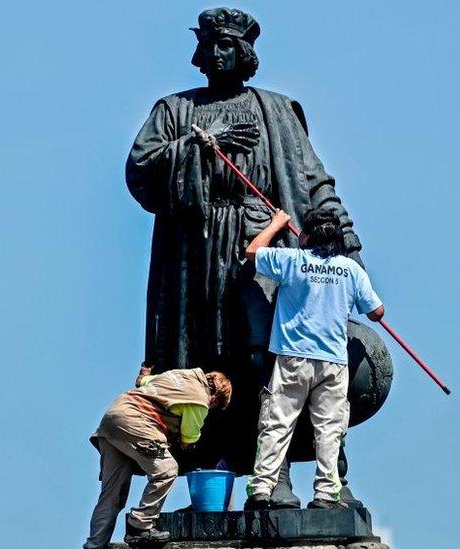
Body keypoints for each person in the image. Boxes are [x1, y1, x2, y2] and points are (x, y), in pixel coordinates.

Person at [126, 6, 374, 506]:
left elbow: (313, 182)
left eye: (228, 45)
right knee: (208, 365)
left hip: (268, 253)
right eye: (211, 44)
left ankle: (280, 475)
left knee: (271, 361)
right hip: (197, 255)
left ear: (246, 52)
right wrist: (203, 145)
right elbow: (142, 169)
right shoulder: (174, 110)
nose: (218, 54)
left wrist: (345, 245)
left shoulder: (279, 110)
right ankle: (211, 479)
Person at [243, 208, 385, 510]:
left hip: (293, 359)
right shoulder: (350, 270)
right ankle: (325, 494)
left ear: (304, 236)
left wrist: (277, 224)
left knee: (277, 425)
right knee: (329, 431)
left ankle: (261, 489)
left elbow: (253, 252)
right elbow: (376, 312)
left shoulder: (293, 261)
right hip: (333, 363)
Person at [83, 365, 233, 548]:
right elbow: (188, 439)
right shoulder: (201, 400)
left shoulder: (178, 375)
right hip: (135, 422)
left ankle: (94, 544)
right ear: (215, 397)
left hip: (112, 419)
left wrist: (145, 372)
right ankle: (141, 524)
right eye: (215, 406)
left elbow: (142, 382)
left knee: (112, 493)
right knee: (167, 470)